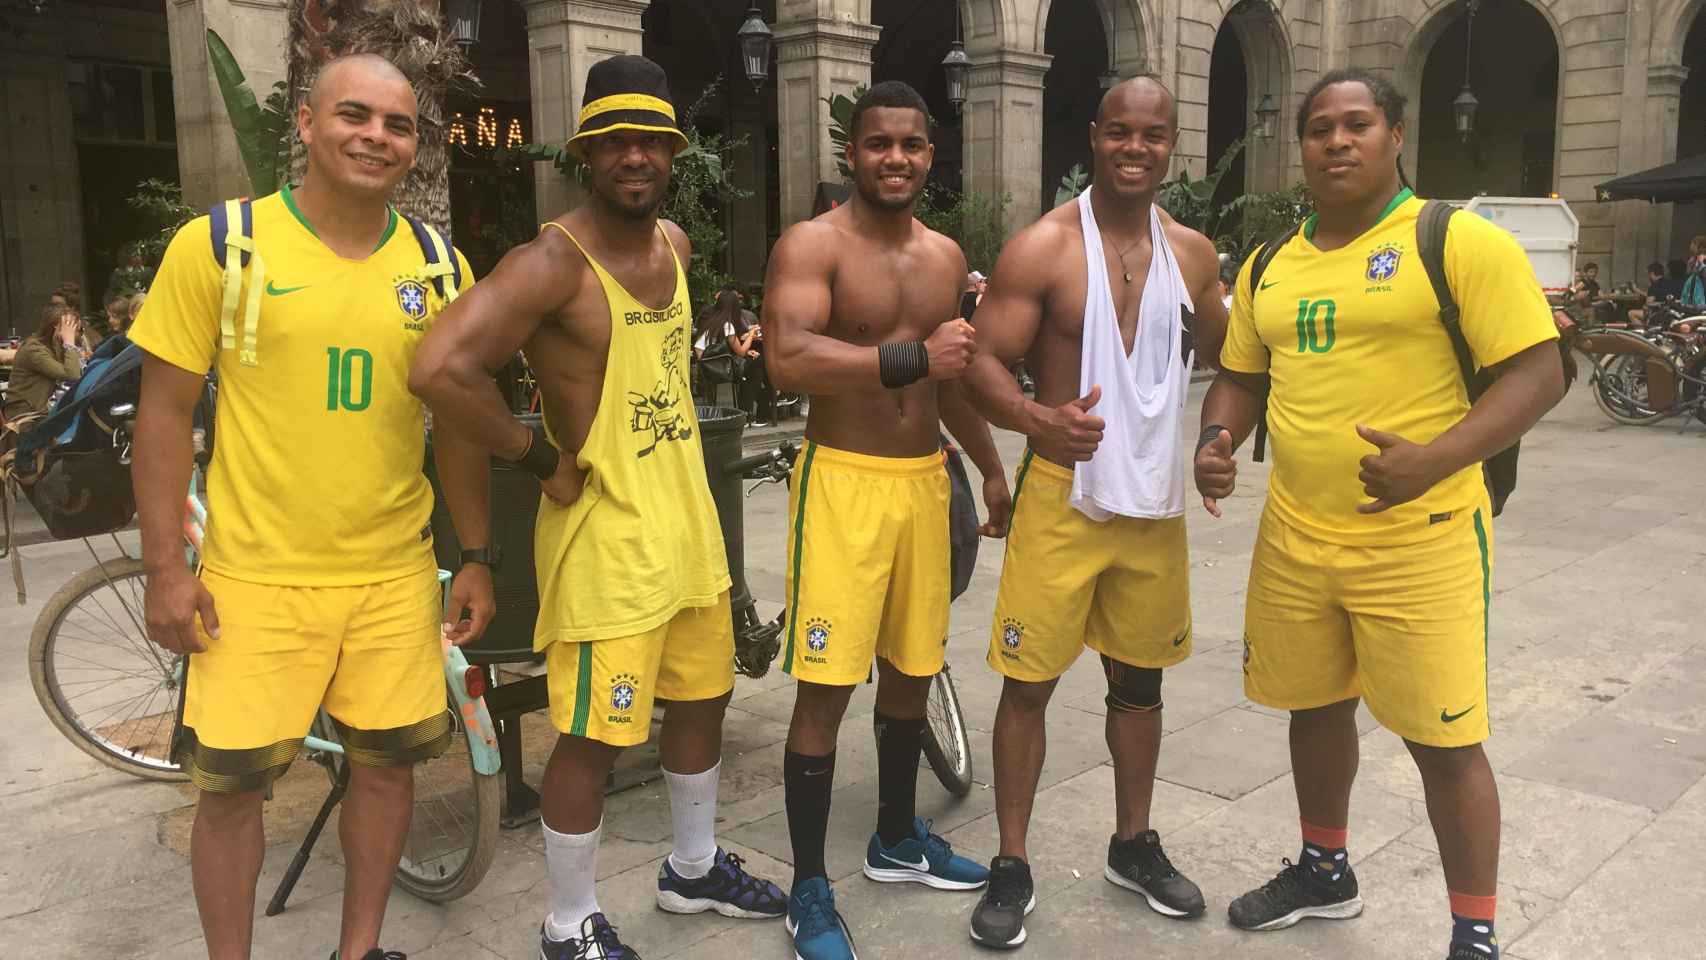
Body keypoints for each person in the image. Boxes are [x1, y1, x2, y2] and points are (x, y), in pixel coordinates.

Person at [408, 55, 787, 960]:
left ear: (673, 153)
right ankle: (567, 920)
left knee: (703, 698)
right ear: (586, 152)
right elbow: (438, 369)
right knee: (592, 735)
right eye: (616, 139)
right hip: (605, 540)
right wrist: (539, 457)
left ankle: (691, 869)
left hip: (685, 524)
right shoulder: (549, 262)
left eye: (652, 140)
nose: (636, 155)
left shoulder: (678, 249)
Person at [1194, 69, 1564, 960]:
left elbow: (1539, 371)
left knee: (1445, 738)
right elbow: (1243, 372)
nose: (1335, 141)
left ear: (1396, 134)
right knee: (1314, 707)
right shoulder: (1271, 264)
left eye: (1356, 123)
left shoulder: (1456, 241)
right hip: (1296, 535)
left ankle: (1473, 931)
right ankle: (1326, 871)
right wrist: (1215, 439)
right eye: (1320, 127)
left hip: (1421, 539)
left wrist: (1433, 462)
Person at [129, 53, 474, 960]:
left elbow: (461, 424)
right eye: (355, 115)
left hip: (392, 578)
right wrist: (168, 568)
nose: (376, 137)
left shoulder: (438, 265)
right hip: (254, 582)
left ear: (416, 148)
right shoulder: (222, 245)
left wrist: (475, 553)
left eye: (398, 126)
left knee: (388, 772)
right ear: (307, 126)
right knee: (233, 793)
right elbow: (164, 414)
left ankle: (357, 952)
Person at [954, 75, 1228, 950]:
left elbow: (1233, 358)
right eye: (1120, 133)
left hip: (1151, 503)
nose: (1135, 149)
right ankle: (1011, 860)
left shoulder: (1193, 255)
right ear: (1094, 136)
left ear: (1171, 144)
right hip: (1060, 495)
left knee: (1139, 682)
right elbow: (982, 363)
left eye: (1153, 135)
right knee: (1029, 681)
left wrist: (1216, 444)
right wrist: (1037, 418)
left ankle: (1132, 844)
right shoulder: (1041, 249)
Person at [760, 80, 1009, 960]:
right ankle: (808, 888)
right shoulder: (813, 244)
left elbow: (949, 380)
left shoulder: (945, 257)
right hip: (844, 486)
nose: (894, 158)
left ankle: (896, 839)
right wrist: (912, 354)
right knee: (825, 685)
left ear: (930, 155)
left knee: (913, 664)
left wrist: (986, 462)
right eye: (877, 144)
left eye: (910, 144)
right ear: (852, 154)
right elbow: (790, 358)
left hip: (923, 483)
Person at [5, 302, 84, 416]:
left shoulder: (57, 347)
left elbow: (81, 372)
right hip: (25, 417)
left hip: (43, 412)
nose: (74, 333)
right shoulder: (34, 349)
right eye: (69, 327)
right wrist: (69, 342)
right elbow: (71, 375)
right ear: (55, 327)